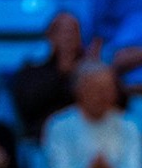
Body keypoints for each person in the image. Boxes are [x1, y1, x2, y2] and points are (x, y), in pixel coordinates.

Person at [7, 10, 87, 138]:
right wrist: (60, 74)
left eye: (73, 31)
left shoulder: (91, 71)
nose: (68, 37)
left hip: (85, 139)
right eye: (63, 32)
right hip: (42, 139)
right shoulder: (32, 69)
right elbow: (27, 106)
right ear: (50, 35)